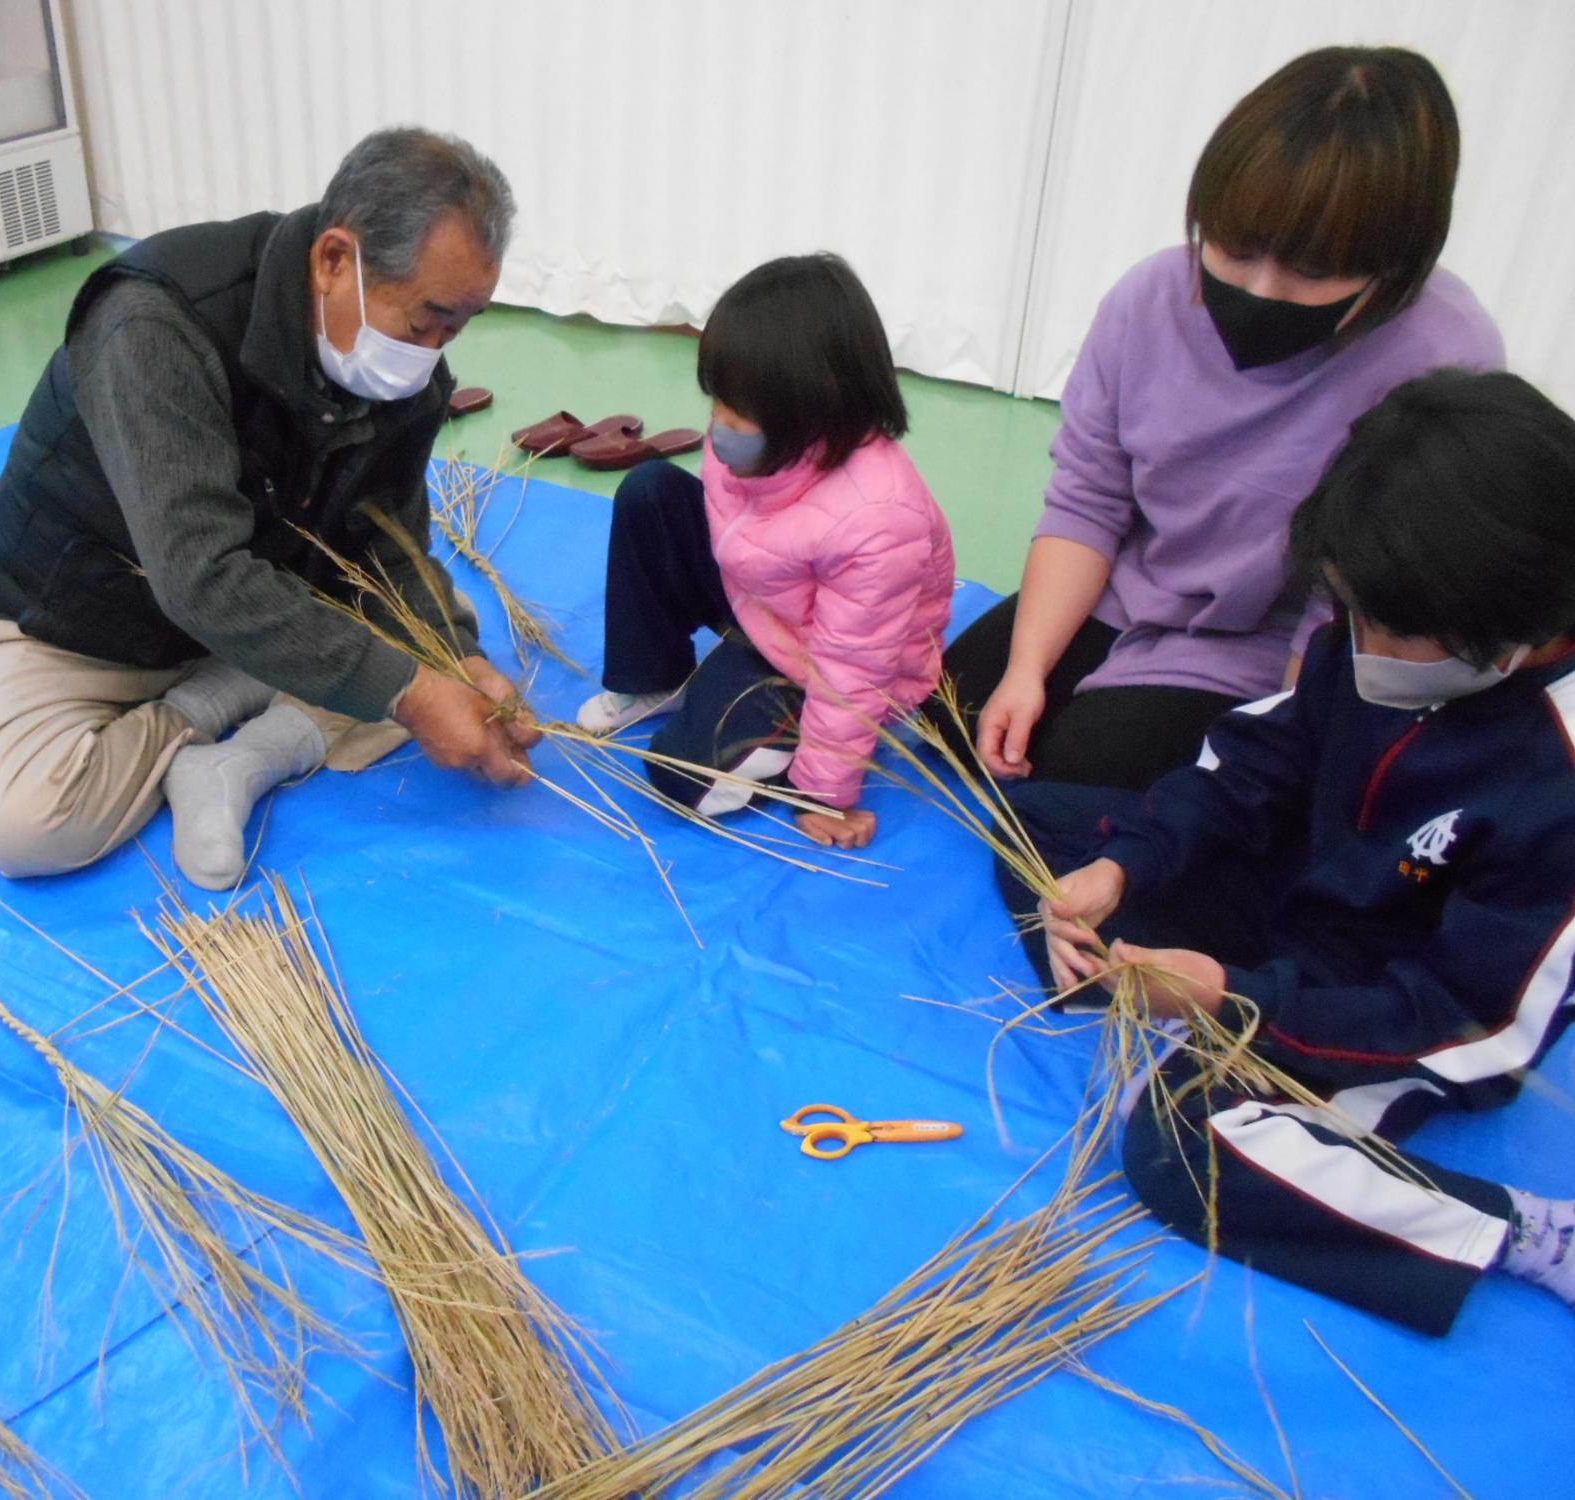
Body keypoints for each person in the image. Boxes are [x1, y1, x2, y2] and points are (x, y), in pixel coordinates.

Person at [998, 370, 1575, 1335]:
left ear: (1524, 629)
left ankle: (1521, 1233)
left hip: (1395, 1002)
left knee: (1181, 1149)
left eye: (1394, 627)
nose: (1363, 642)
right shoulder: (1381, 641)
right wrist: (1125, 869)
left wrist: (1236, 1001)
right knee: (1043, 832)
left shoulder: (1555, 774)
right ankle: (1159, 995)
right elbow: (1250, 766)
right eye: (1355, 610)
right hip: (1301, 900)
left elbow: (1475, 1027)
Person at [0, 128, 540, 888]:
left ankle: (240, 762)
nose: (435, 350)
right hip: (78, 625)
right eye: (426, 320)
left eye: (459, 325)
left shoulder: (406, 370)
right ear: (334, 261)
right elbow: (200, 576)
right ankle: (215, 700)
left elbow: (385, 539)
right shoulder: (154, 325)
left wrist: (458, 661)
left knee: (438, 625)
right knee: (25, 828)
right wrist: (412, 693)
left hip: (251, 591)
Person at [945, 45, 1503, 793]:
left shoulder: (1442, 362)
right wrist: (1025, 669)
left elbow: (1352, 607)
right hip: (1133, 590)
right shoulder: (1147, 301)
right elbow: (1088, 500)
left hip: (1266, 643)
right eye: (1235, 249)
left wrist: (1279, 752)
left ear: (1394, 265)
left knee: (1083, 780)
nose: (1258, 290)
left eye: (1308, 271)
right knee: (952, 713)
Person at [577, 254, 954, 851]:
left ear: (812, 407)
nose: (718, 424)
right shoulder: (761, 446)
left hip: (817, 663)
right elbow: (726, 526)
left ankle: (775, 741)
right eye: (717, 401)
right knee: (650, 490)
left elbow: (854, 670)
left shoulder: (879, 518)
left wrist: (825, 793)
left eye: (738, 410)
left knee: (682, 773)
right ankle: (654, 677)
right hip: (763, 596)